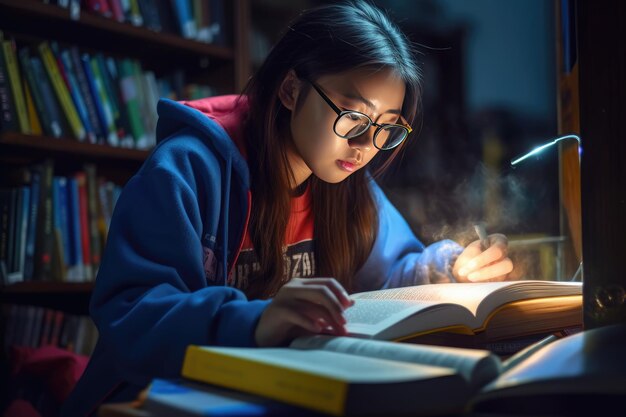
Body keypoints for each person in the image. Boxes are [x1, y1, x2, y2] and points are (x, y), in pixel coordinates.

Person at [61, 1, 513, 415]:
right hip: (152, 400)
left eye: (385, 129)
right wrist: (255, 319)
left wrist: (450, 267)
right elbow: (133, 315)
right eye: (353, 117)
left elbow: (391, 275)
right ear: (292, 89)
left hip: (271, 392)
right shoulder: (188, 169)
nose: (362, 146)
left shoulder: (347, 182)